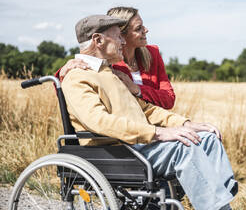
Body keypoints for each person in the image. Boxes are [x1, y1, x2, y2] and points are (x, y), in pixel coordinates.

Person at [61, 14, 237, 210]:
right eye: (118, 36)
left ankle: (220, 200)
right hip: (119, 149)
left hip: (139, 144)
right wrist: (158, 132)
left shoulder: (111, 73)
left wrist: (185, 124)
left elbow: (146, 110)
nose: (123, 41)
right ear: (98, 40)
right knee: (187, 146)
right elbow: (99, 121)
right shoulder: (77, 77)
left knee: (207, 138)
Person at [57, 7, 175, 109]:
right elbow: (70, 88)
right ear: (121, 34)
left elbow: (169, 99)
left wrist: (136, 89)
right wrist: (63, 72)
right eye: (139, 28)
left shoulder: (152, 53)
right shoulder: (106, 62)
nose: (146, 30)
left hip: (158, 122)